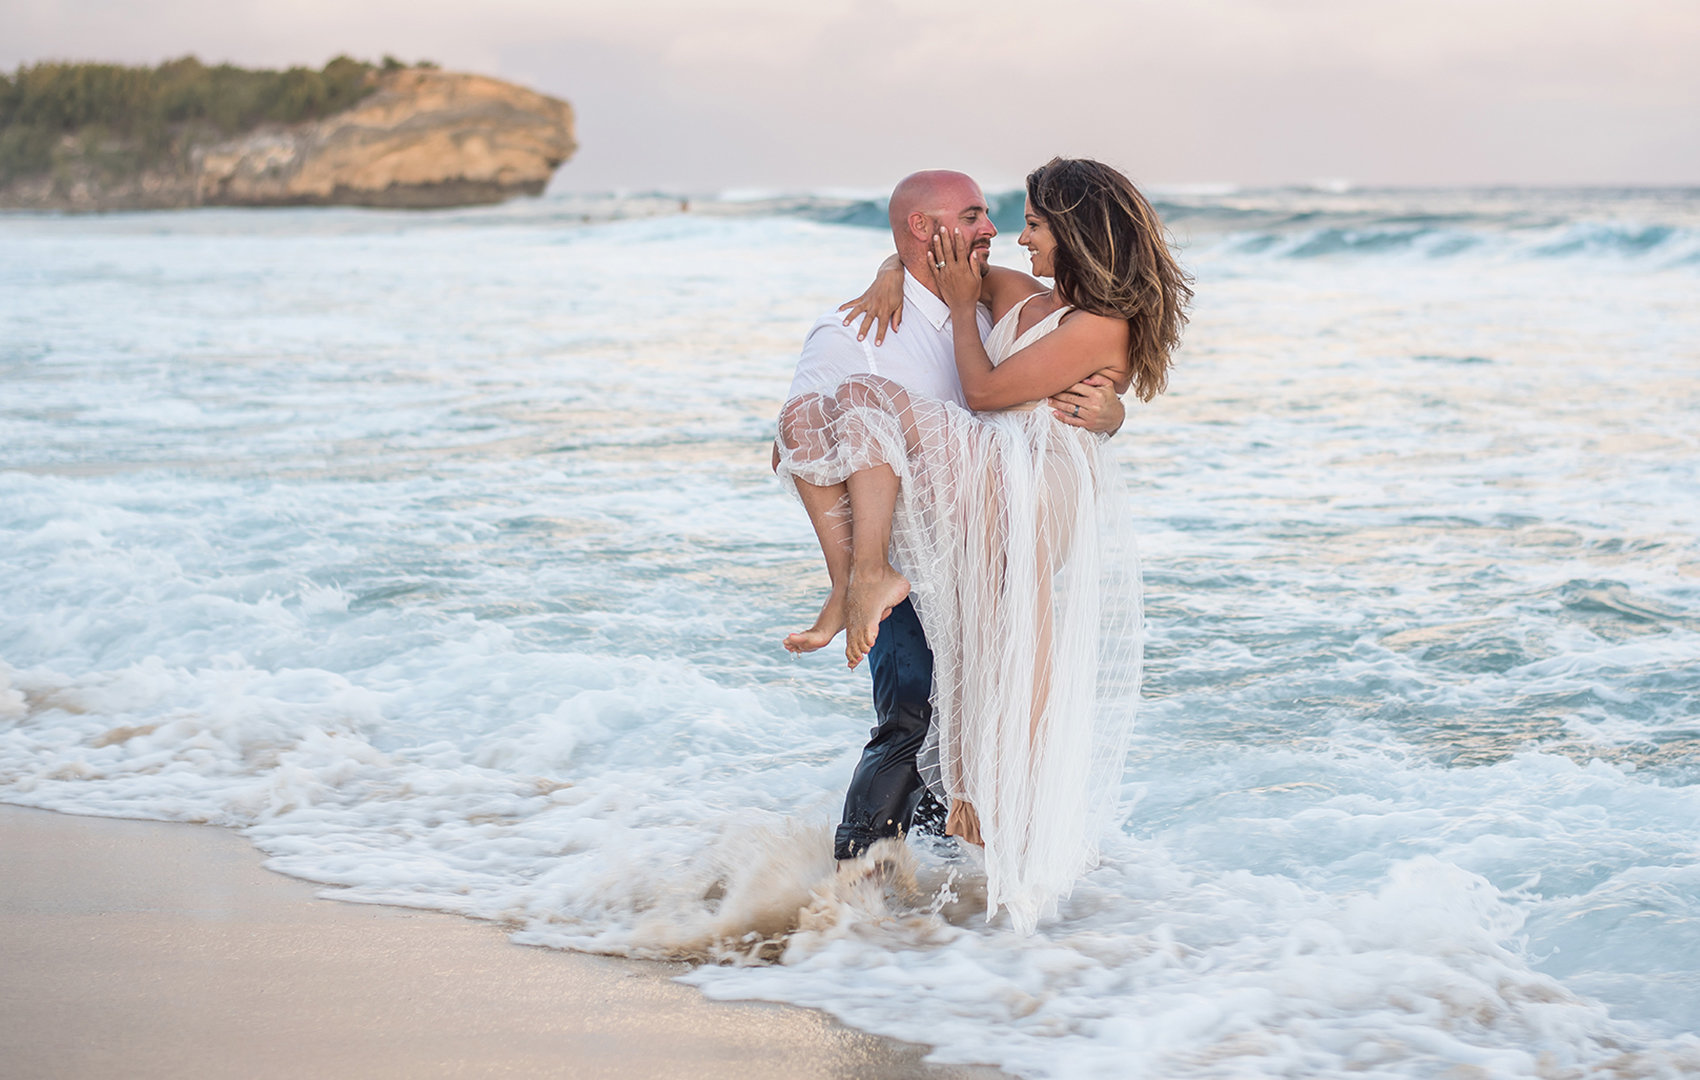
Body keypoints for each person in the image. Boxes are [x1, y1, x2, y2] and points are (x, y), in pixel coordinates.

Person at [776, 159, 1190, 932]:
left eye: (1032, 223)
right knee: (804, 422)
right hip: (972, 481)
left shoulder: (1098, 324)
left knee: (1000, 637)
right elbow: (935, 253)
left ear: (1075, 232)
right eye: (1014, 222)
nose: (1014, 236)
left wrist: (967, 313)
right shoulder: (1032, 296)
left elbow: (984, 393)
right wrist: (888, 275)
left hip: (1028, 482)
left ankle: (959, 827)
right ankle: (858, 580)